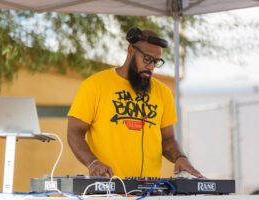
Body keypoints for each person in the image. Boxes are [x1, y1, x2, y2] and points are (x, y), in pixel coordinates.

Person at [67, 27, 203, 178]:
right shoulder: (94, 85)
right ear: (131, 50)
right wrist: (92, 163)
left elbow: (168, 139)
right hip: (108, 188)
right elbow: (74, 132)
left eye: (156, 62)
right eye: (147, 59)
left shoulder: (163, 93)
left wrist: (180, 157)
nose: (151, 66)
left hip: (149, 190)